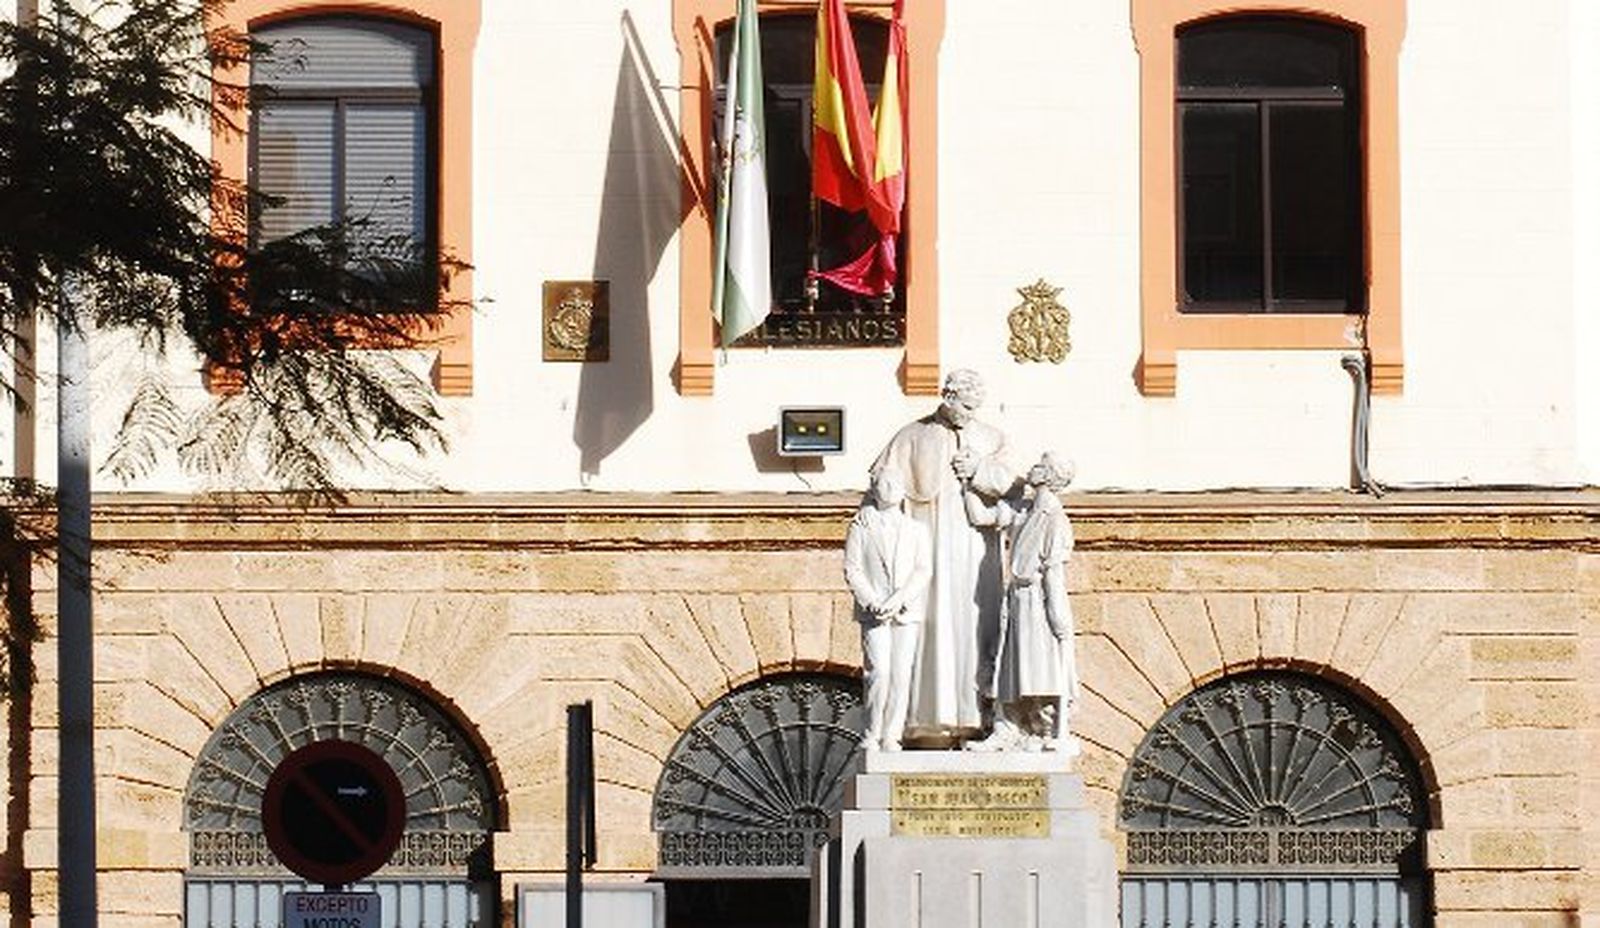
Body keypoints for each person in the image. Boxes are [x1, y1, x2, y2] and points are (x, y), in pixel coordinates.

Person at [871, 369, 1012, 742]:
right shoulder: (912, 436)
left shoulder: (991, 438)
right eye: (964, 405)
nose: (969, 413)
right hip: (925, 547)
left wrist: (979, 469)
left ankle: (979, 713)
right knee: (929, 624)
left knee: (976, 622)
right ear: (947, 397)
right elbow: (882, 487)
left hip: (975, 549)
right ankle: (923, 718)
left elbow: (1012, 486)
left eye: (974, 407)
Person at [962, 452, 1079, 752]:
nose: (1033, 467)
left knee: (1040, 668)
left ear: (1050, 476)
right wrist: (965, 482)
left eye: (1041, 465)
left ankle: (1044, 726)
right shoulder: (1024, 510)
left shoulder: (1054, 519)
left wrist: (1058, 616)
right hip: (1015, 598)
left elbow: (1053, 572)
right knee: (1010, 665)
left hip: (1037, 601)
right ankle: (1007, 727)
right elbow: (982, 517)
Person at [844, 470, 932, 751]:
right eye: (885, 483)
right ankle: (872, 731)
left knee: (901, 673)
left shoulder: (917, 529)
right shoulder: (861, 526)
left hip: (905, 609)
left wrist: (900, 598)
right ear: (874, 489)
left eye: (897, 483)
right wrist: (871, 600)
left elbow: (922, 569)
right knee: (878, 671)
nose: (892, 487)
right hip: (874, 610)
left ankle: (891, 733)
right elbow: (853, 568)